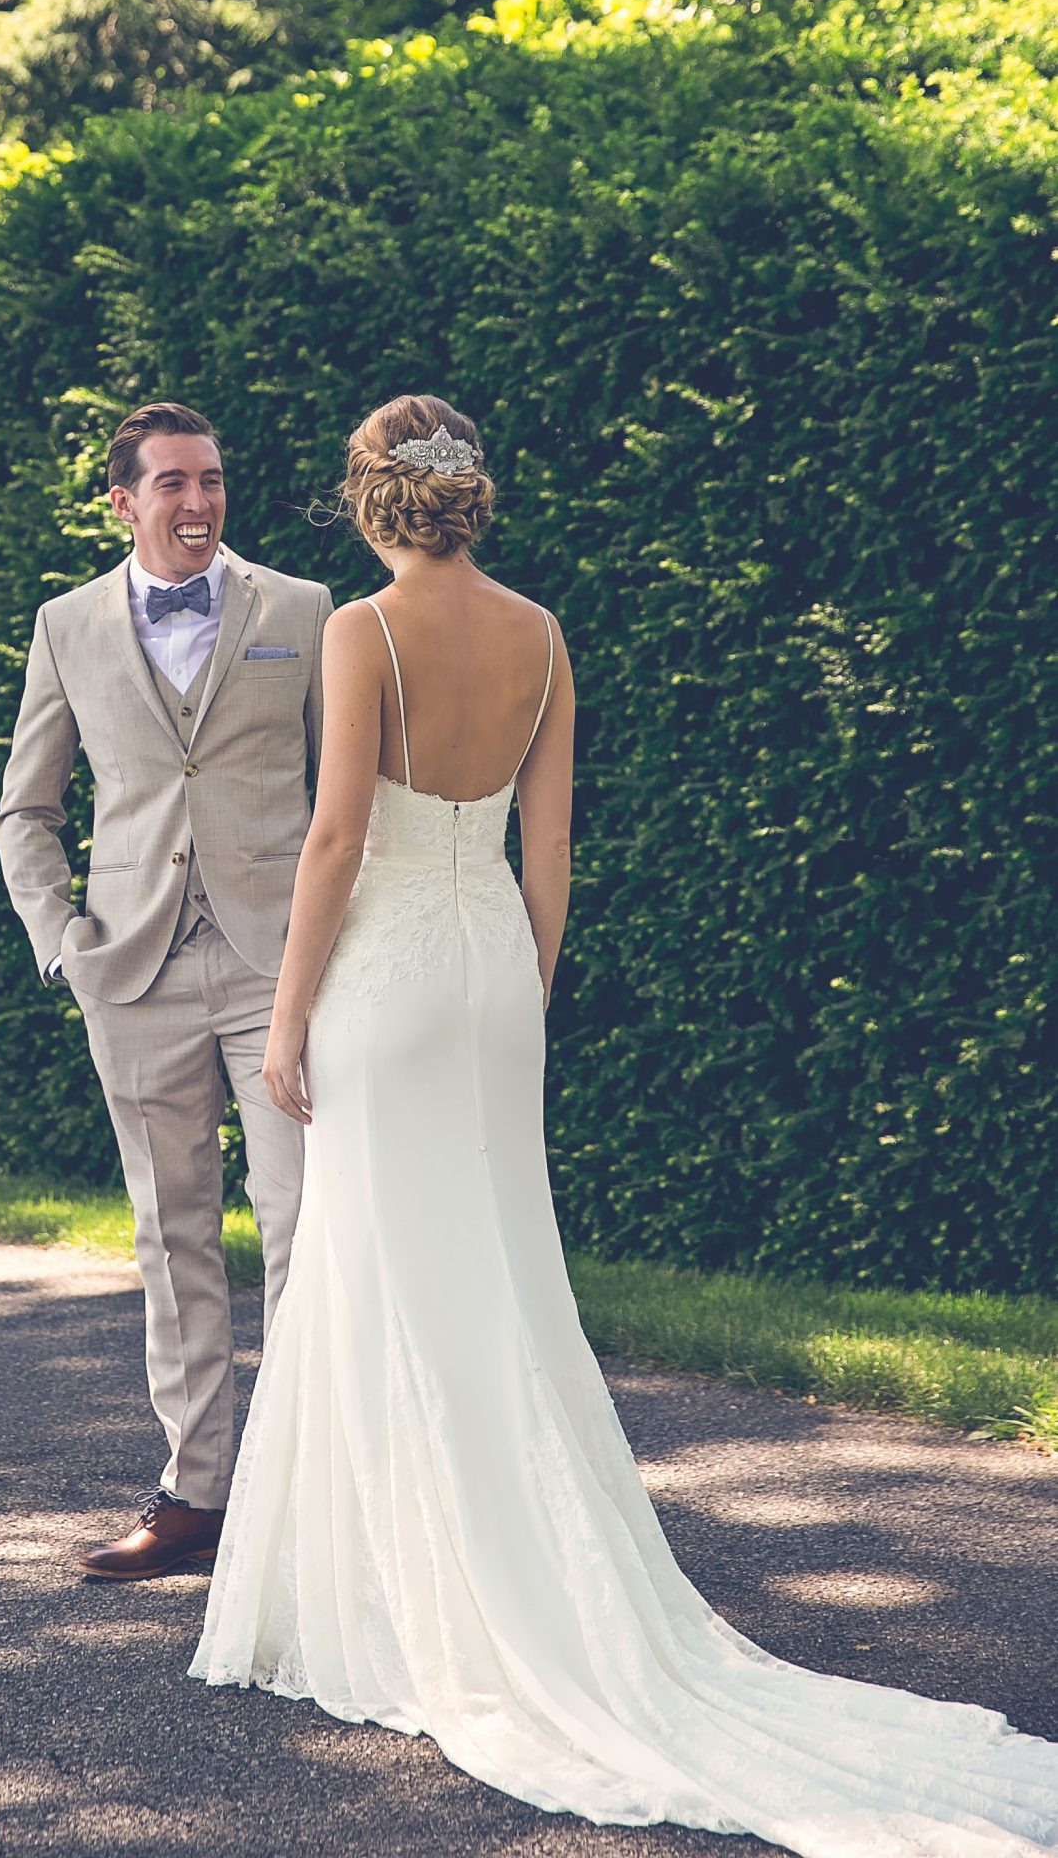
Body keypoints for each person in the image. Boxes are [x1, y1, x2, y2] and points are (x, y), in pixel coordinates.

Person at [192, 392, 1058, 1857]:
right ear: (471, 495)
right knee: (497, 1285)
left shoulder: (358, 631)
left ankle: (406, 1602)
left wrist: (281, 1021)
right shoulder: (538, 634)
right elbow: (549, 840)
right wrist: (521, 991)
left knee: (378, 1279)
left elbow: (336, 836)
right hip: (484, 980)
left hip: (384, 982)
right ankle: (511, 1574)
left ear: (366, 498)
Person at [0, 400, 332, 1579]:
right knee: (171, 1232)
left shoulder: (301, 610)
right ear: (123, 501)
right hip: (130, 971)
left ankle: (296, 1492)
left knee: (298, 1225)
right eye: (174, 484)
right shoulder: (66, 624)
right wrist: (64, 945)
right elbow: (24, 809)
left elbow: (347, 795)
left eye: (214, 479)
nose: (199, 503)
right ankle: (194, 1495)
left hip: (275, 967)